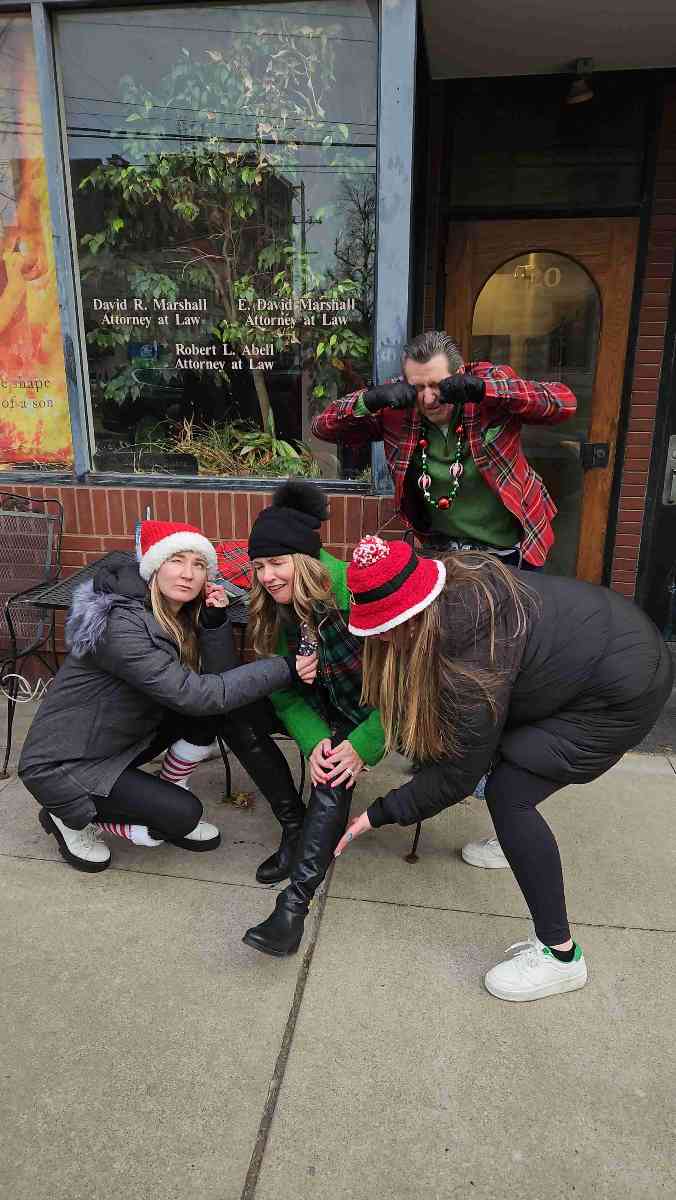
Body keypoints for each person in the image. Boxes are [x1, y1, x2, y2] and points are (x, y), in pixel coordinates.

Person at [332, 535, 673, 1002]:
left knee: (509, 793)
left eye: (385, 626)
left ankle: (560, 955)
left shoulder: (468, 664)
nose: (381, 636)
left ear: (415, 611)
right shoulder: (453, 583)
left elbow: (457, 776)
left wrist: (377, 814)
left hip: (618, 691)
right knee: (502, 754)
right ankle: (515, 843)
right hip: (606, 644)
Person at [19, 520, 306, 874]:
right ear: (154, 567)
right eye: (176, 561)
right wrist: (287, 667)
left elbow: (217, 688)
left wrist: (214, 623)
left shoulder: (177, 613)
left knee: (217, 714)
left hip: (117, 740)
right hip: (63, 765)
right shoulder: (120, 625)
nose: (188, 574)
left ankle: (170, 783)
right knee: (184, 815)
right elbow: (197, 695)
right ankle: (67, 815)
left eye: (198, 565)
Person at [241, 481, 386, 957]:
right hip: (323, 708)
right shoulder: (277, 609)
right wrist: (315, 740)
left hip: (373, 712)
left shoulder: (363, 598)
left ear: (305, 560)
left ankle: (292, 908)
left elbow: (410, 694)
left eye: (277, 563)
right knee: (239, 711)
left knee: (333, 776)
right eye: (259, 566)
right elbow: (284, 693)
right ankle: (293, 828)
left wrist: (361, 746)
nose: (266, 576)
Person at [311, 329, 576, 570]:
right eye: (418, 387)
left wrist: (485, 391)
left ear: (459, 373)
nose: (427, 398)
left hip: (513, 547)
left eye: (437, 385)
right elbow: (324, 429)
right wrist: (369, 399)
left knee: (511, 622)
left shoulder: (489, 386)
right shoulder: (398, 408)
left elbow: (563, 403)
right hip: (443, 550)